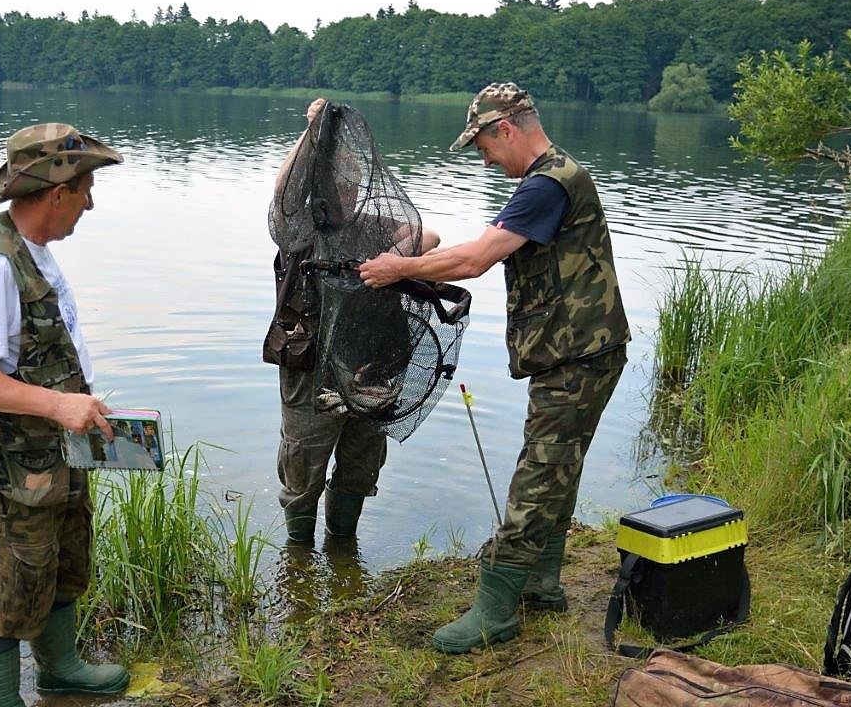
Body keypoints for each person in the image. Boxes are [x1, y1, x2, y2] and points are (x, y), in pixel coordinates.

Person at [359, 83, 630, 654]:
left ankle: (495, 607)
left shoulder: (544, 185)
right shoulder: (557, 177)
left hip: (579, 354)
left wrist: (400, 268)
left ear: (506, 128)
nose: (483, 158)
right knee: (558, 465)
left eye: (482, 144)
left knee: (538, 472)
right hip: (585, 350)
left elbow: (477, 258)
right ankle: (541, 580)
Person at [0, 122, 128, 707]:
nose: (91, 203)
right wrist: (58, 404)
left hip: (55, 454)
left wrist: (80, 407)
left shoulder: (33, 249)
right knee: (8, 587)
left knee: (64, 561)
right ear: (56, 192)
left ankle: (61, 668)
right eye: (87, 189)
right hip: (9, 466)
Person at [265, 98, 440, 544]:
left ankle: (343, 542)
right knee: (303, 469)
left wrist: (390, 263)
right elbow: (282, 193)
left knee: (360, 466)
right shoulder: (298, 229)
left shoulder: (371, 225)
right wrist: (312, 131)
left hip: (372, 366)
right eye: (337, 184)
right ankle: (300, 557)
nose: (345, 192)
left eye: (352, 185)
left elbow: (429, 235)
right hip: (311, 373)